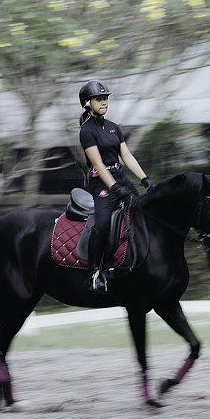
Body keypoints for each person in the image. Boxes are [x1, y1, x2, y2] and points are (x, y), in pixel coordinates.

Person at [78, 79, 152, 291]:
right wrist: (112, 187)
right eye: (98, 99)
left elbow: (126, 156)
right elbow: (98, 164)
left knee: (143, 213)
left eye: (105, 99)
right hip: (100, 183)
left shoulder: (113, 128)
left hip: (121, 179)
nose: (104, 102)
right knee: (101, 224)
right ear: (87, 103)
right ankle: (94, 272)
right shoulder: (86, 131)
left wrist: (144, 179)